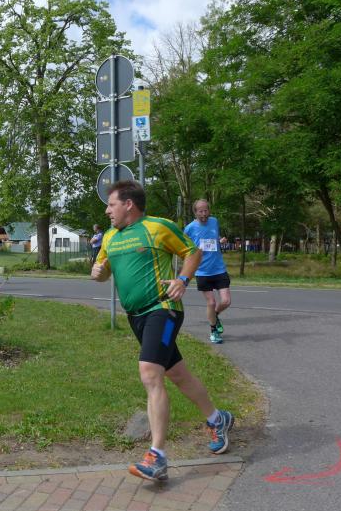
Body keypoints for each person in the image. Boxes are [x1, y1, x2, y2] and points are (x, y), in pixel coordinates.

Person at [91, 180, 234, 482]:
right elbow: (103, 273)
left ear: (128, 204)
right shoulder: (109, 237)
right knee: (178, 374)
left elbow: (192, 252)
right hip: (136, 317)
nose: (107, 211)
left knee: (149, 373)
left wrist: (182, 280)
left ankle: (157, 457)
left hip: (163, 310)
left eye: (111, 204)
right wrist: (98, 272)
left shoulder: (158, 227)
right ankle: (217, 419)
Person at [184, 199, 231, 344]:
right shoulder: (189, 228)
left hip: (219, 268)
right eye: (200, 211)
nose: (204, 214)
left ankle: (214, 315)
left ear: (209, 210)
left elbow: (213, 238)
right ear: (195, 212)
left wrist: (220, 241)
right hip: (202, 271)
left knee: (226, 301)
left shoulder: (214, 221)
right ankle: (213, 331)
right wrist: (194, 252)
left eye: (206, 210)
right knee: (211, 302)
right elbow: (184, 247)